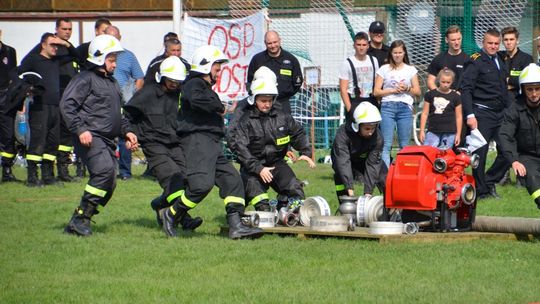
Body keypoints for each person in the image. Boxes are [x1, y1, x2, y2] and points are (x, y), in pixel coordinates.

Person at [159, 45, 263, 239]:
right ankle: (171, 214)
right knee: (200, 186)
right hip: (198, 141)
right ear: (205, 65)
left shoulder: (204, 87)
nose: (219, 69)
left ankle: (236, 225)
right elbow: (197, 100)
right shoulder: (193, 84)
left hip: (212, 142)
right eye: (217, 65)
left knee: (232, 180)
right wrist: (219, 106)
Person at [62, 34, 138, 236]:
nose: (115, 64)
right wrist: (80, 129)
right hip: (91, 137)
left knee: (110, 183)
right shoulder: (84, 79)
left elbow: (117, 114)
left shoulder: (112, 83)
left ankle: (80, 218)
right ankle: (80, 220)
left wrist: (128, 131)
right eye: (112, 60)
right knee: (104, 172)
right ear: (98, 58)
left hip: (107, 140)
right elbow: (67, 106)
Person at [123, 56, 202, 231]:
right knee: (172, 178)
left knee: (187, 179)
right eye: (171, 81)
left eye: (177, 81)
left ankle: (160, 204)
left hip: (176, 144)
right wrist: (129, 134)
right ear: (162, 77)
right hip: (154, 145)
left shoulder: (181, 96)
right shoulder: (148, 93)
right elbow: (128, 116)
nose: (174, 84)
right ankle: (182, 218)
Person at [232, 68, 315, 212]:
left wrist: (305, 152)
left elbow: (298, 133)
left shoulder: (282, 116)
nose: (267, 104)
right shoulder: (245, 120)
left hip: (277, 164)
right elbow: (241, 148)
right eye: (263, 101)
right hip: (253, 168)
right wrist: (259, 169)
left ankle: (285, 212)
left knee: (296, 191)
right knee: (261, 205)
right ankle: (237, 214)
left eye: (270, 100)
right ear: (254, 99)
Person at [17, 32, 79, 187]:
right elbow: (17, 73)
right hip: (40, 106)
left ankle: (48, 176)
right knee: (38, 141)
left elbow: (76, 56)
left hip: (55, 107)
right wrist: (28, 88)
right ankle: (32, 178)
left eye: (57, 45)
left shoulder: (55, 61)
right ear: (43, 45)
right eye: (52, 44)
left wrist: (65, 43)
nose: (55, 48)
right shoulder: (33, 59)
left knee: (53, 142)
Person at [460, 28, 509, 200]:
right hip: (482, 113)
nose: (493, 46)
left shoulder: (501, 60)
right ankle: (481, 190)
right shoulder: (475, 61)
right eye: (490, 43)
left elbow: (503, 88)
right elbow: (465, 90)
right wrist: (470, 115)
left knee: (507, 151)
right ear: (483, 42)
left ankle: (488, 182)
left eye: (496, 43)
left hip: (500, 113)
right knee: (480, 154)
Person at [104, 25, 145, 181]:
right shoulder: (101, 57)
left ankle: (125, 172)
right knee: (106, 135)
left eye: (116, 37)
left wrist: (132, 96)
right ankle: (107, 171)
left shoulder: (129, 56)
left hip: (124, 103)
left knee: (125, 136)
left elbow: (139, 78)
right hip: (106, 102)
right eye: (109, 37)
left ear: (120, 38)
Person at [373, 40, 421, 167]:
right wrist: (392, 90)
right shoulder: (384, 69)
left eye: (400, 52)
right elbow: (376, 92)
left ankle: (402, 173)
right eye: (395, 53)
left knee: (404, 145)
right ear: (391, 53)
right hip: (387, 107)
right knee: (386, 144)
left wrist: (407, 88)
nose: (397, 55)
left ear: (404, 53)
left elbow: (417, 92)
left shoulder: (411, 70)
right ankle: (385, 177)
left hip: (405, 108)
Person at [499, 63, 540, 209]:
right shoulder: (514, 109)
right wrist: (514, 161)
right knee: (532, 177)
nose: (534, 94)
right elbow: (505, 135)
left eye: (537, 89)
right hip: (527, 157)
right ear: (523, 90)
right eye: (530, 89)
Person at [331, 102, 387, 199]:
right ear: (357, 125)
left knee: (385, 178)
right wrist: (351, 193)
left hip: (364, 159)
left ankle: (390, 210)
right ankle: (345, 209)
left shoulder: (378, 138)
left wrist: (368, 194)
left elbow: (373, 165)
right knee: (341, 177)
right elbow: (343, 162)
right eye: (367, 128)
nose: (370, 132)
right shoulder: (343, 134)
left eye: (373, 128)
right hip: (344, 160)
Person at [247, 30, 303, 115]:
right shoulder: (257, 59)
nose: (273, 46)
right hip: (262, 106)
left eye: (275, 42)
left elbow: (297, 83)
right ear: (265, 43)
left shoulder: (291, 60)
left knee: (285, 127)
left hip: (283, 104)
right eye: (269, 43)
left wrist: (285, 94)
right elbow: (250, 82)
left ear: (280, 40)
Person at [339, 31, 380, 121]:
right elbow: (343, 89)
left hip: (371, 100)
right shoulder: (347, 63)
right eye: (359, 44)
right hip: (354, 101)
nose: (361, 48)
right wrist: (350, 109)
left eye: (364, 45)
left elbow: (378, 83)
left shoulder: (374, 61)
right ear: (354, 45)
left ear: (368, 46)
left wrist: (378, 102)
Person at [419, 68, 462, 150]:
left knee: (445, 155)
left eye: (448, 82)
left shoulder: (456, 96)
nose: (445, 84)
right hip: (433, 130)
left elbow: (459, 116)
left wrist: (458, 134)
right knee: (428, 151)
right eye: (443, 82)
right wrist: (421, 130)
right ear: (438, 80)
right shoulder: (430, 94)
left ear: (452, 82)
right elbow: (424, 113)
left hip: (450, 132)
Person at [0, 33, 18, 182]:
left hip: (5, 98)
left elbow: (14, 76)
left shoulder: (10, 51)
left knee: (8, 135)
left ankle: (7, 171)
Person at [426, 25, 468, 90]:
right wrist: (439, 94)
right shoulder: (439, 59)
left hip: (460, 97)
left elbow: (470, 83)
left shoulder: (467, 60)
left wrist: (460, 94)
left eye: (459, 39)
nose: (457, 42)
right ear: (446, 40)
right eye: (453, 40)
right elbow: (430, 81)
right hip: (441, 98)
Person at [499, 26, 533, 104]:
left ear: (517, 41)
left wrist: (509, 80)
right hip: (501, 102)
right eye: (506, 40)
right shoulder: (498, 56)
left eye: (511, 39)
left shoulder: (526, 59)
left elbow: (526, 82)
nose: (509, 42)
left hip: (519, 102)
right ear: (502, 42)